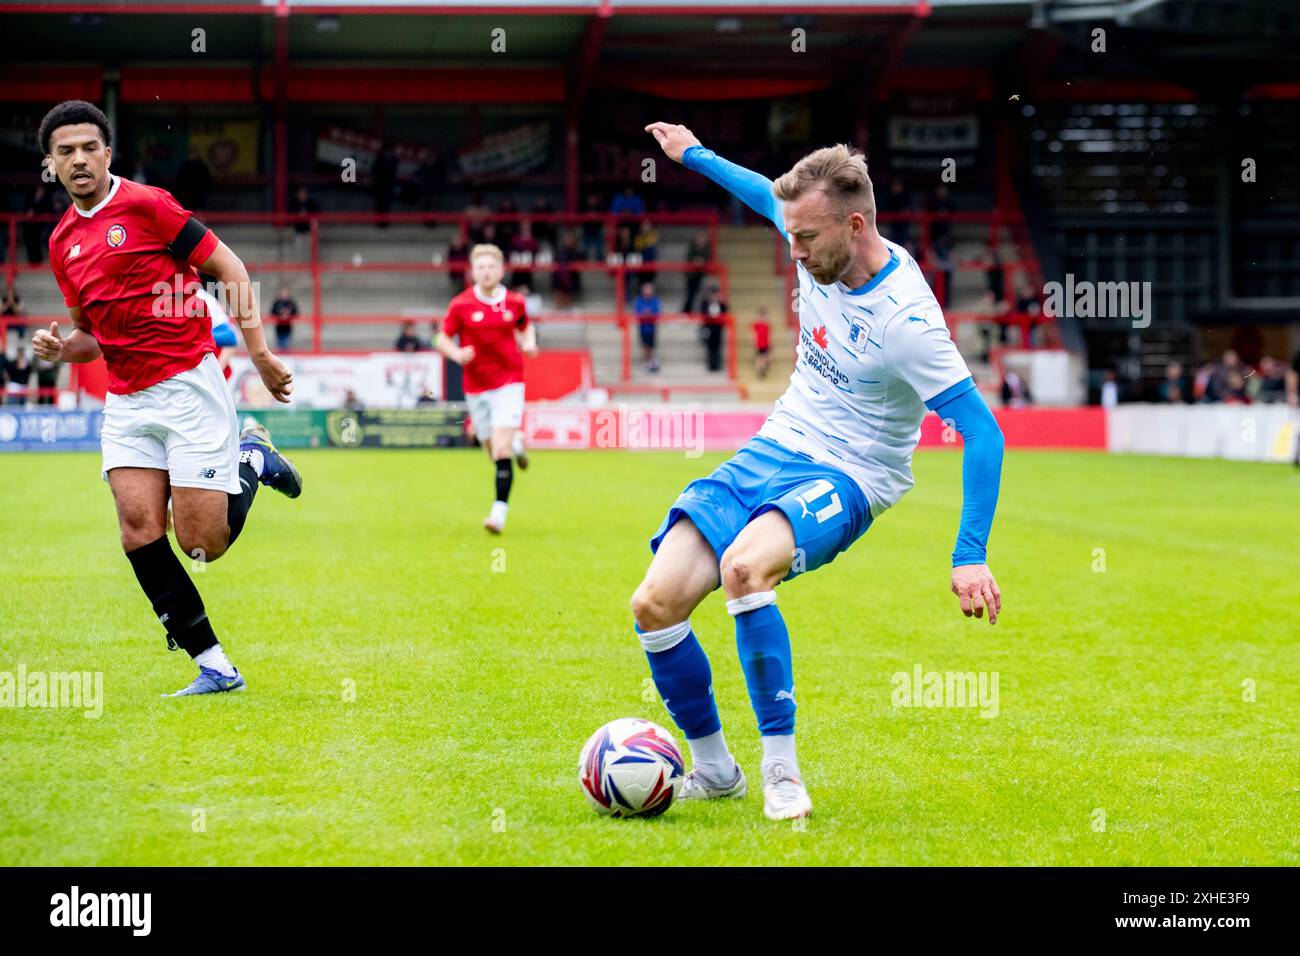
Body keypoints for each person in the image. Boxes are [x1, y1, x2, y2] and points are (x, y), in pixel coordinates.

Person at [637, 124, 1004, 821]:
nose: (794, 249)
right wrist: (693, 154)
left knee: (746, 569)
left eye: (805, 238)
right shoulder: (811, 232)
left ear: (854, 223)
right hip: (779, 442)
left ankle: (782, 772)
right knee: (653, 604)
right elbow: (758, 194)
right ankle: (715, 771)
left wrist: (970, 555)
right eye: (793, 234)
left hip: (854, 472)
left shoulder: (908, 323)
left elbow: (983, 434)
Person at [32, 100, 301, 698]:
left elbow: (229, 268)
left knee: (202, 544)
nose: (78, 159)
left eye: (88, 147)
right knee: (137, 530)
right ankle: (214, 665)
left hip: (187, 384)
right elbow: (90, 339)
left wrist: (259, 354)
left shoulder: (148, 205)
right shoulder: (61, 244)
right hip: (126, 400)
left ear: (107, 153)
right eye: (65, 151)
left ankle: (252, 459)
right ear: (50, 164)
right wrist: (60, 350)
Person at [434, 243, 537, 535]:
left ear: (501, 269)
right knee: (493, 451)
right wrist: (455, 354)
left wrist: (528, 342)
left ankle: (498, 513)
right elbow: (440, 338)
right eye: (481, 267)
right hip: (476, 387)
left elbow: (524, 326)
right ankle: (517, 444)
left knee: (500, 449)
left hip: (509, 383)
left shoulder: (515, 302)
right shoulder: (461, 304)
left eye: (491, 266)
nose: (486, 271)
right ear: (473, 271)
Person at [634, 281, 661, 373]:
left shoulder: (655, 300)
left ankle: (650, 360)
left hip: (652, 326)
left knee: (651, 344)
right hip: (643, 327)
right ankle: (647, 360)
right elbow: (637, 312)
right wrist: (644, 313)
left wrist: (649, 313)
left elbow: (657, 312)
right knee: (644, 344)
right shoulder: (639, 300)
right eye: (646, 289)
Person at [699, 287, 728, 373]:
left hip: (717, 329)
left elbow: (725, 311)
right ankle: (711, 365)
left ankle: (717, 365)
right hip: (709, 328)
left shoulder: (720, 304)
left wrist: (721, 302)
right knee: (710, 348)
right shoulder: (705, 303)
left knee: (717, 348)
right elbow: (703, 313)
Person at [682, 229, 710, 314]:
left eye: (703, 237)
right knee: (690, 293)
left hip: (701, 274)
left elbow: (707, 258)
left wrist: (702, 262)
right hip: (691, 275)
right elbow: (689, 258)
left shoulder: (706, 248)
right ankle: (686, 310)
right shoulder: (692, 247)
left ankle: (695, 310)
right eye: (699, 237)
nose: (701, 239)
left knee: (698, 293)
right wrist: (695, 261)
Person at [269, 285, 299, 353]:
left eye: (286, 292)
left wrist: (288, 314)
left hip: (288, 327)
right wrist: (280, 313)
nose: (284, 294)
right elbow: (272, 313)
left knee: (287, 344)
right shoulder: (277, 302)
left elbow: (296, 312)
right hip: (279, 327)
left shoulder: (291, 302)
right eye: (283, 292)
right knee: (280, 344)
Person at [752, 307, 771, 379]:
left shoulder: (766, 325)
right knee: (760, 357)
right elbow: (754, 335)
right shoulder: (756, 325)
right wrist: (755, 343)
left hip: (765, 344)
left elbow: (769, 335)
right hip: (759, 344)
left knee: (764, 357)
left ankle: (762, 368)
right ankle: (760, 370)